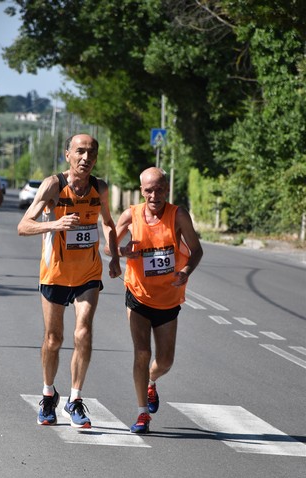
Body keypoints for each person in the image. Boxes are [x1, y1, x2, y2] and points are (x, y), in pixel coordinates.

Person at [17, 133, 121, 429]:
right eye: (80, 152)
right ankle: (49, 394)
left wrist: (113, 256)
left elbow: (109, 224)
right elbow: (23, 226)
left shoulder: (99, 187)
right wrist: (55, 223)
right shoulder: (53, 185)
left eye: (91, 153)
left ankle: (74, 400)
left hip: (88, 274)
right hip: (55, 274)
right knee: (54, 339)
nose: (86, 158)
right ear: (68, 155)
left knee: (83, 332)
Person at [107, 167, 203, 434]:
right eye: (148, 190)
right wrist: (120, 252)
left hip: (169, 299)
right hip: (138, 295)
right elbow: (109, 244)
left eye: (159, 189)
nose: (154, 195)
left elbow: (197, 250)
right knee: (142, 352)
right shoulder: (132, 214)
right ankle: (142, 414)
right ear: (141, 191)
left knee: (165, 361)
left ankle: (152, 380)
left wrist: (185, 271)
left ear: (167, 189)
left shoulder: (178, 215)